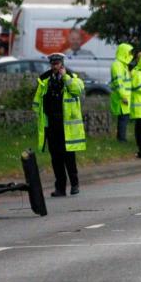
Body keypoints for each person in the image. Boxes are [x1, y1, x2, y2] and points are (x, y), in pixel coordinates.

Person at [33, 52, 87, 196]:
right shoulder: (44, 80)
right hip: (51, 124)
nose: (55, 66)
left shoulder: (72, 77)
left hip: (66, 125)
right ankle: (60, 188)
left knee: (69, 157)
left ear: (62, 64)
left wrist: (65, 77)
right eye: (53, 64)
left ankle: (74, 184)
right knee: (56, 157)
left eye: (57, 64)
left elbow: (77, 91)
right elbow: (37, 101)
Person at [109, 43, 136, 143]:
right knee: (123, 119)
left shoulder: (123, 65)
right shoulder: (117, 65)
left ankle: (121, 138)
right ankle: (121, 139)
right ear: (123, 52)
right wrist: (123, 96)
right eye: (129, 52)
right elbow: (118, 82)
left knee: (124, 118)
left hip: (125, 96)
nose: (130, 55)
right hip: (121, 96)